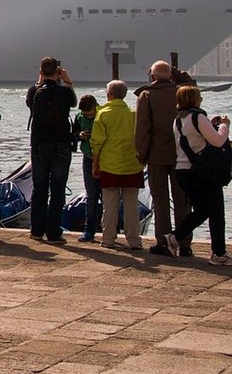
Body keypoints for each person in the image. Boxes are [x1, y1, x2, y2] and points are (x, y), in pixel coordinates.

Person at [166, 85, 230, 264]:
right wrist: (224, 125)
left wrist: (211, 124)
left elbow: (193, 140)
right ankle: (218, 253)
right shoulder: (198, 116)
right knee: (216, 213)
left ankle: (174, 237)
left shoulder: (177, 120)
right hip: (203, 172)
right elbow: (217, 141)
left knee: (202, 211)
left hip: (183, 171)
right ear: (195, 99)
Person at [136, 60, 191, 257]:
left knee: (160, 200)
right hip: (182, 156)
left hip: (157, 156)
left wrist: (141, 155)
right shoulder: (181, 92)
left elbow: (143, 129)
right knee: (183, 200)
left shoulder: (147, 95)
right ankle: (185, 243)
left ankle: (164, 241)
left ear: (151, 76)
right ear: (170, 75)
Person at [25, 56, 76, 243]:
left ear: (41, 71)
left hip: (39, 144)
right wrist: (67, 80)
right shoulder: (64, 92)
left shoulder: (34, 91)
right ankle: (54, 232)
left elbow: (29, 103)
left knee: (39, 188)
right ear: (57, 72)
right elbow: (74, 102)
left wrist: (39, 81)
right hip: (61, 143)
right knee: (58, 188)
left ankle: (36, 230)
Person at [90, 80, 144, 250]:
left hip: (110, 165)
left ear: (109, 94)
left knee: (109, 205)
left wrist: (95, 164)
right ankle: (134, 240)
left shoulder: (103, 114)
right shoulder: (134, 114)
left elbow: (97, 143)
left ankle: (108, 239)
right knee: (131, 205)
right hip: (132, 165)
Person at [72, 94, 102, 242]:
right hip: (88, 158)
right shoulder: (79, 117)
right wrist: (79, 135)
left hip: (105, 159)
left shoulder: (103, 115)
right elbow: (73, 135)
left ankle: (110, 230)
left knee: (109, 197)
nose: (89, 117)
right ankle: (89, 230)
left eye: (91, 115)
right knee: (91, 196)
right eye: (86, 115)